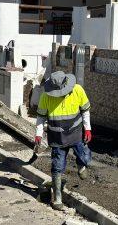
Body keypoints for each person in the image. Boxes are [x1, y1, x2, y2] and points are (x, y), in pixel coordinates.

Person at [35, 71, 92, 210]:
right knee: (57, 166)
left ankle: (81, 166)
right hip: (57, 138)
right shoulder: (45, 96)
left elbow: (85, 111)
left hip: (76, 134)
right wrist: (38, 134)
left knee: (84, 155)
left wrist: (88, 128)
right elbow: (41, 117)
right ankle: (57, 198)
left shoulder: (78, 90)